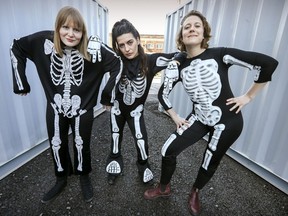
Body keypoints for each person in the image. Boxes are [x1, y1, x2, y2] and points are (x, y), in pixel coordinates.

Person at [143, 10, 278, 215]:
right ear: (181, 35)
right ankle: (164, 188)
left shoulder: (220, 54)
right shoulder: (178, 65)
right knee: (167, 150)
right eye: (187, 26)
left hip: (228, 121)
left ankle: (195, 191)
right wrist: (175, 116)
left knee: (210, 160)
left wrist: (248, 97)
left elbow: (268, 64)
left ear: (204, 32)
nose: (192, 29)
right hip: (199, 117)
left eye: (197, 25)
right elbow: (162, 93)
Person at [10, 6, 122, 203]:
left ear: (83, 32)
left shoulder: (91, 48)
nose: (70, 34)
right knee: (56, 143)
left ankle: (83, 175)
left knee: (82, 144)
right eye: (65, 28)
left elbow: (117, 63)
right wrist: (21, 82)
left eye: (76, 30)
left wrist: (107, 96)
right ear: (57, 28)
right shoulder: (43, 42)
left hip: (82, 107)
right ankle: (61, 177)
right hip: (56, 105)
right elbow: (16, 47)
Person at [105, 19, 185, 185]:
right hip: (118, 109)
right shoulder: (115, 60)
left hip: (136, 111)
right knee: (114, 138)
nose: (127, 49)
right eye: (121, 45)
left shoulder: (151, 61)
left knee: (142, 142)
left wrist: (177, 61)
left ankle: (143, 165)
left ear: (138, 39)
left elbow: (179, 55)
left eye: (130, 42)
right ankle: (115, 162)